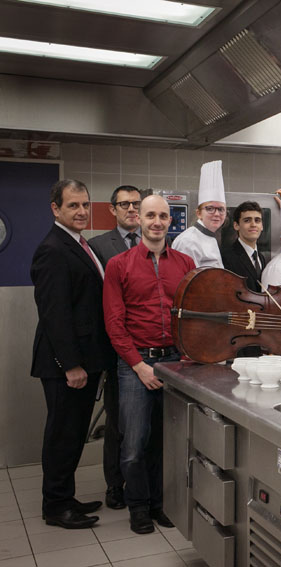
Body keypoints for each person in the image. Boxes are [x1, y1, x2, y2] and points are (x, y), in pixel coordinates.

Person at [103, 195, 196, 534]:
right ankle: (138, 506)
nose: (157, 222)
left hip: (175, 360)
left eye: (163, 216)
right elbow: (114, 323)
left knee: (167, 440)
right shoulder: (119, 265)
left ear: (170, 222)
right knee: (134, 444)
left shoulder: (185, 263)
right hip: (135, 363)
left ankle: (161, 504)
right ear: (137, 219)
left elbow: (192, 317)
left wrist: (186, 356)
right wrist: (138, 365)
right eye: (150, 215)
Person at [31, 179, 113, 529]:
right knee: (63, 434)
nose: (81, 211)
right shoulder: (53, 248)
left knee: (73, 433)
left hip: (84, 359)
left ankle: (66, 497)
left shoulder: (78, 243)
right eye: (73, 206)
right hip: (66, 363)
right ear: (56, 209)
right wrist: (72, 365)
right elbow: (55, 314)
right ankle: (56, 506)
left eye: (84, 205)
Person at [88, 185, 142, 511]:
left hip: (151, 349)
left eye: (136, 204)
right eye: (125, 204)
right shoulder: (98, 246)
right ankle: (114, 485)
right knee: (118, 421)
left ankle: (141, 483)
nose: (131, 209)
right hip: (115, 349)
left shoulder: (159, 246)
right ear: (113, 209)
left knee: (144, 424)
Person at [172, 160, 226, 268]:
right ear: (199, 213)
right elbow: (187, 281)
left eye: (221, 209)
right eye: (210, 208)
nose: (217, 214)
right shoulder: (188, 241)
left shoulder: (210, 236)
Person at [221, 201, 268, 293]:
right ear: (236, 225)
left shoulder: (261, 258)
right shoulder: (227, 257)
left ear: (262, 226)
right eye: (247, 220)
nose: (253, 224)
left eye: (257, 220)